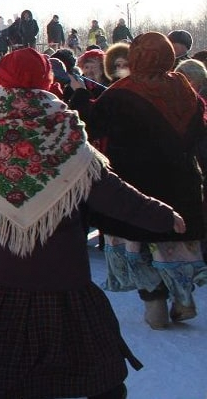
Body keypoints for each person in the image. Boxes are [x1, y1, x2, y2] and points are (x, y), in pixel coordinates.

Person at [0, 47, 187, 399]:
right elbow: (105, 188)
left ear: (1, 78)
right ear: (47, 78)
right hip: (60, 277)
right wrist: (162, 215)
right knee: (96, 376)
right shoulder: (62, 123)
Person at [70, 32, 207, 329]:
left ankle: (155, 306)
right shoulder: (184, 89)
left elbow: (89, 127)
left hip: (138, 181)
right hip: (182, 181)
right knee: (175, 242)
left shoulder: (121, 92)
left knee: (142, 244)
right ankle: (183, 299)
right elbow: (199, 131)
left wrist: (80, 94)